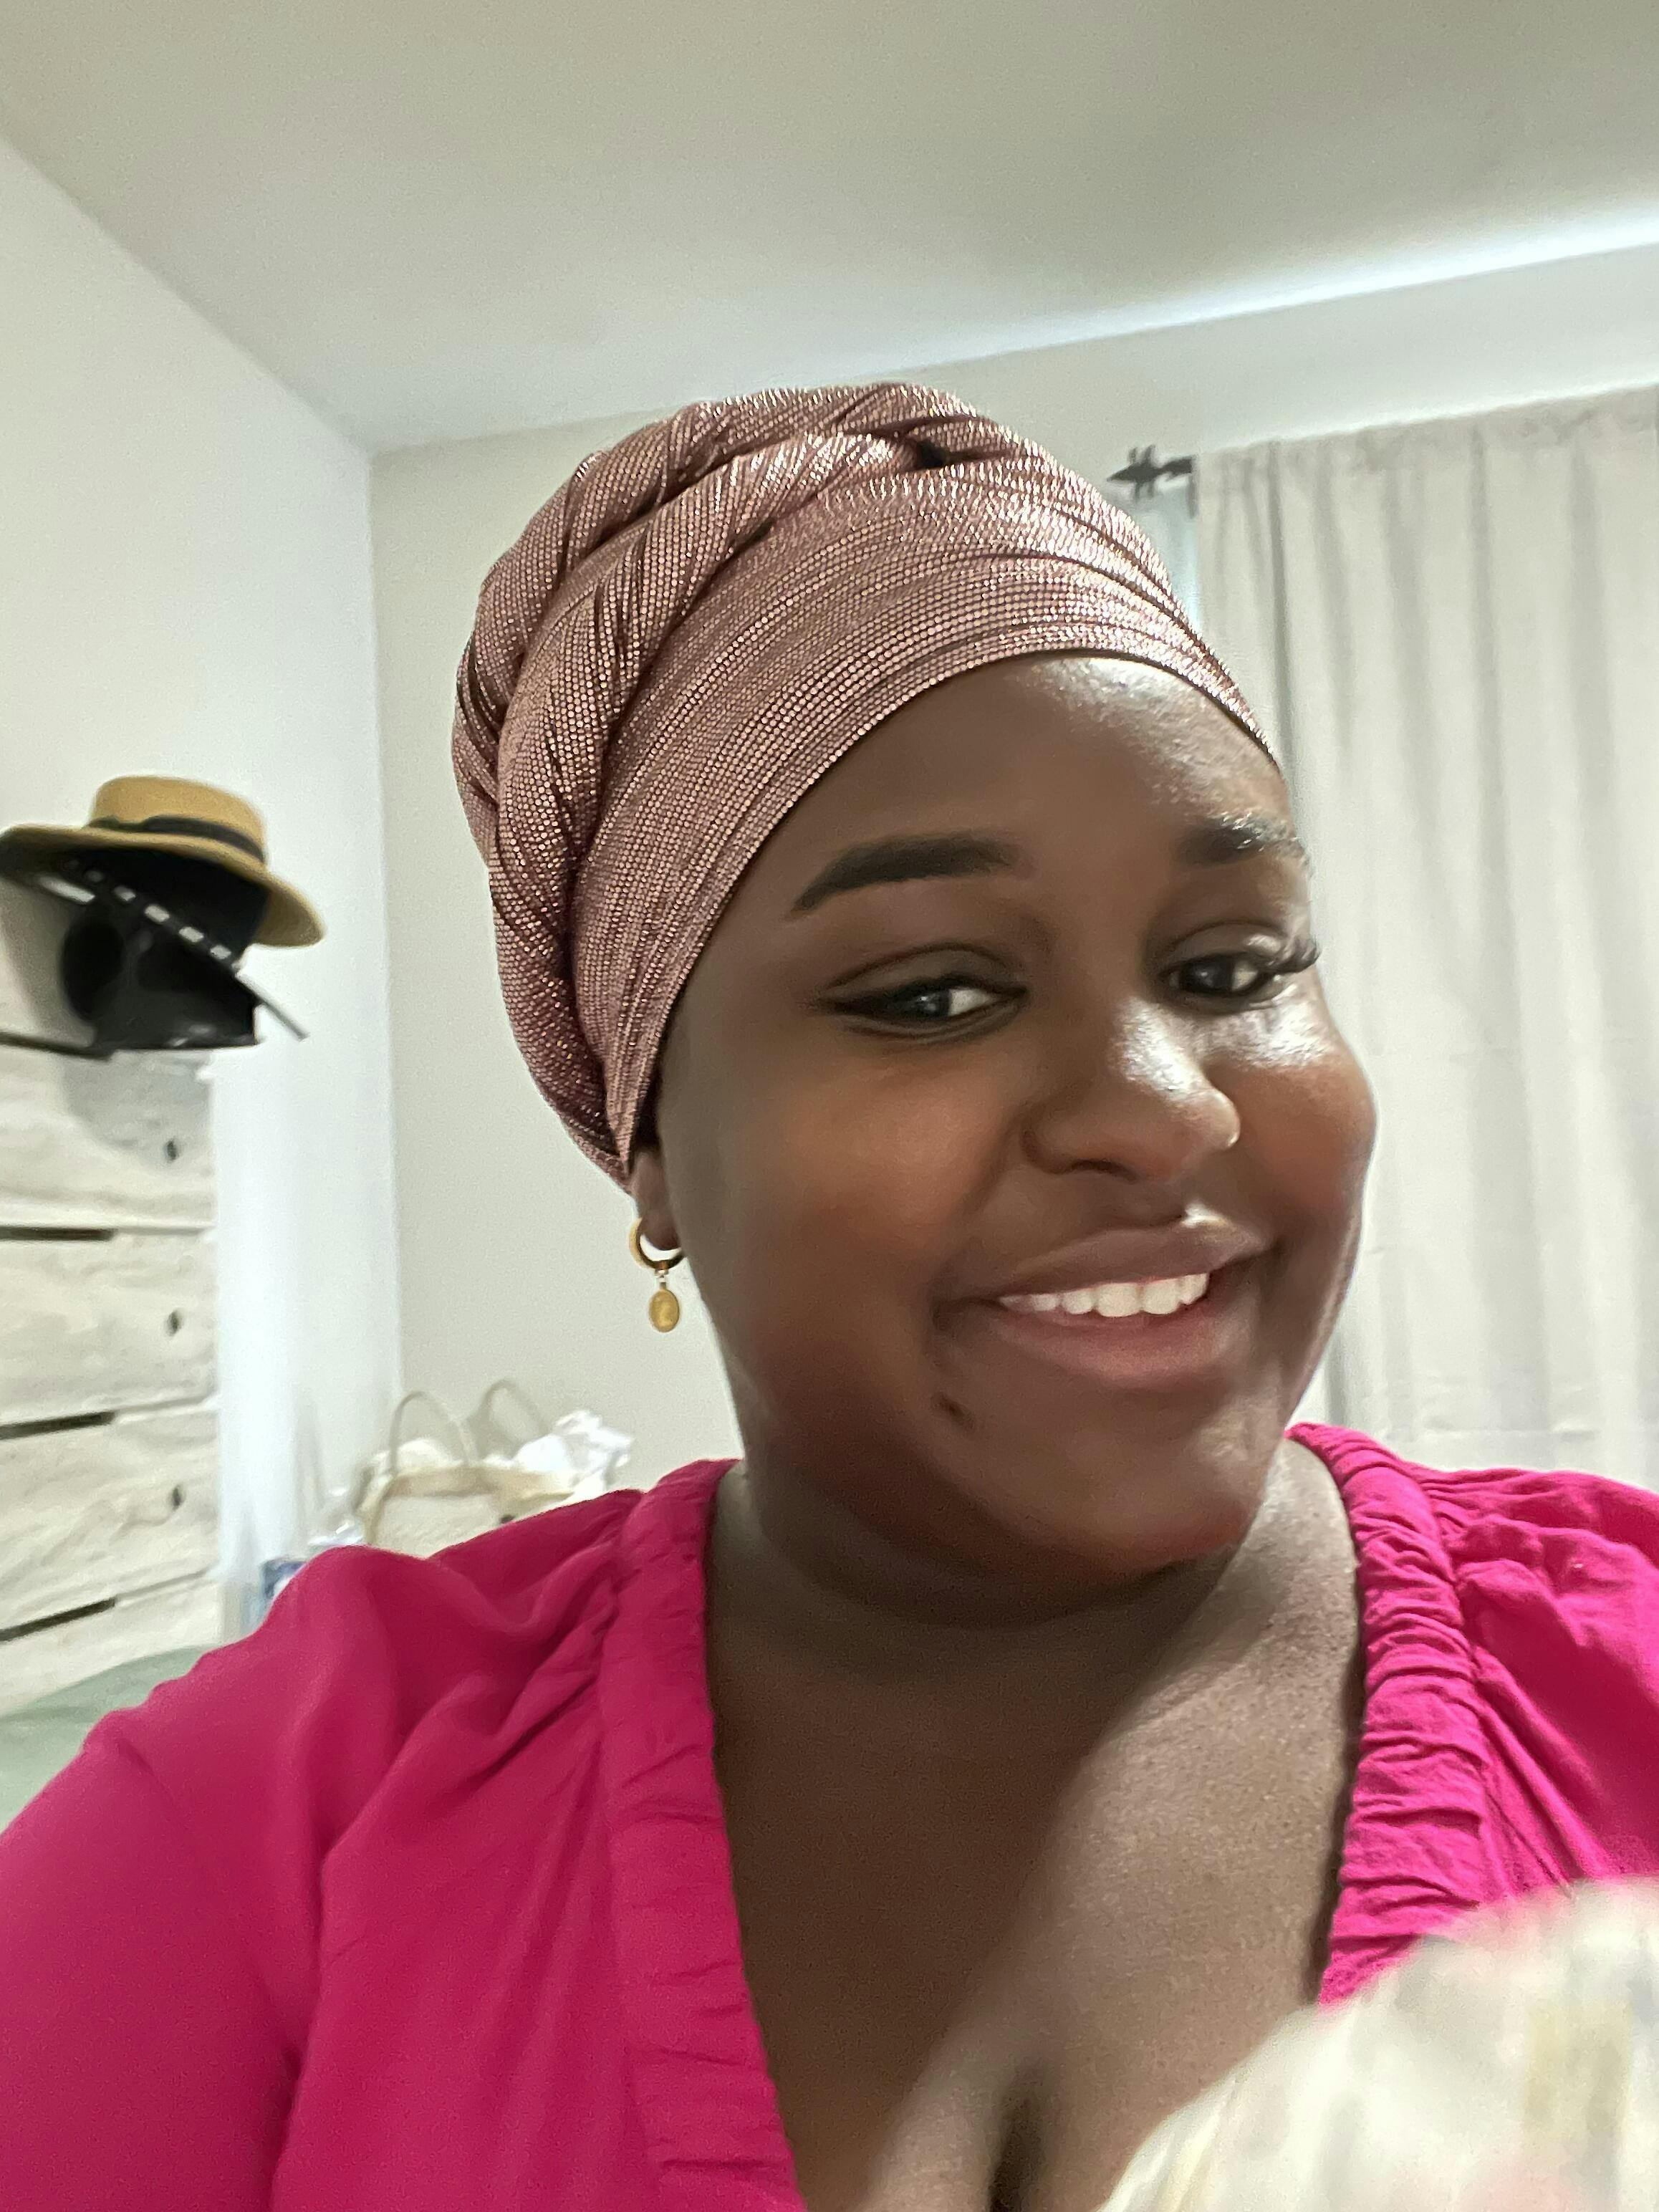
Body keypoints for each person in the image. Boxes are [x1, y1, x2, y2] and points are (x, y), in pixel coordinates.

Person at [3, 383, 1658, 2212]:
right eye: (934, 993)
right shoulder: (270, 1825)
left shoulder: (1626, 1682)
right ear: (651, 1133)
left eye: (1231, 963)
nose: (1165, 1105)